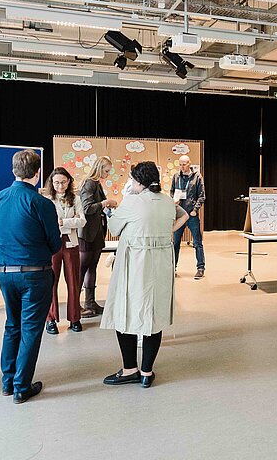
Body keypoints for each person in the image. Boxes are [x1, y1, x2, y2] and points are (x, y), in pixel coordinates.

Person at [101, 162, 189, 389]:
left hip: (135, 263)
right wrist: (168, 231)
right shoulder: (167, 202)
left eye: (132, 179)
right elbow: (185, 215)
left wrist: (110, 212)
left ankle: (130, 369)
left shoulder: (132, 201)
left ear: (139, 181)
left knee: (125, 312)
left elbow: (114, 228)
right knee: (154, 316)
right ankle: (147, 372)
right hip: (161, 264)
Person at [0, 150, 62, 403]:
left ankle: (7, 382)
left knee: (12, 325)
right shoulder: (42, 203)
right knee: (30, 329)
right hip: (34, 274)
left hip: (4, 273)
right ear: (38, 173)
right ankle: (22, 386)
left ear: (13, 171)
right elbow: (55, 244)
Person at [44, 168, 86, 335]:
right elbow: (47, 223)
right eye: (56, 183)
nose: (60, 186)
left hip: (71, 243)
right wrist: (68, 221)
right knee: (51, 281)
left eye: (63, 182)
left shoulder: (76, 199)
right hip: (52, 243)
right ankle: (50, 319)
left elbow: (82, 221)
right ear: (52, 183)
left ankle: (75, 318)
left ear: (68, 182)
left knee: (73, 281)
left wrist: (64, 222)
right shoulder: (47, 200)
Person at [79, 156, 117, 317]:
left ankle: (90, 302)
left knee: (92, 266)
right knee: (82, 268)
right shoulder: (89, 183)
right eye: (106, 171)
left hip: (96, 232)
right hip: (87, 233)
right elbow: (87, 208)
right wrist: (105, 203)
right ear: (99, 168)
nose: (107, 174)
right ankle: (75, 305)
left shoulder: (96, 184)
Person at [171, 155, 206, 279]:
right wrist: (174, 200)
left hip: (191, 215)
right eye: (180, 164)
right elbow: (172, 191)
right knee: (175, 242)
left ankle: (200, 268)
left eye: (184, 164)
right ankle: (172, 268)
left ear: (189, 163)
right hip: (179, 215)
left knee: (197, 242)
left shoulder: (197, 177)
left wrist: (195, 210)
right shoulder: (176, 176)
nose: (182, 167)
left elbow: (202, 196)